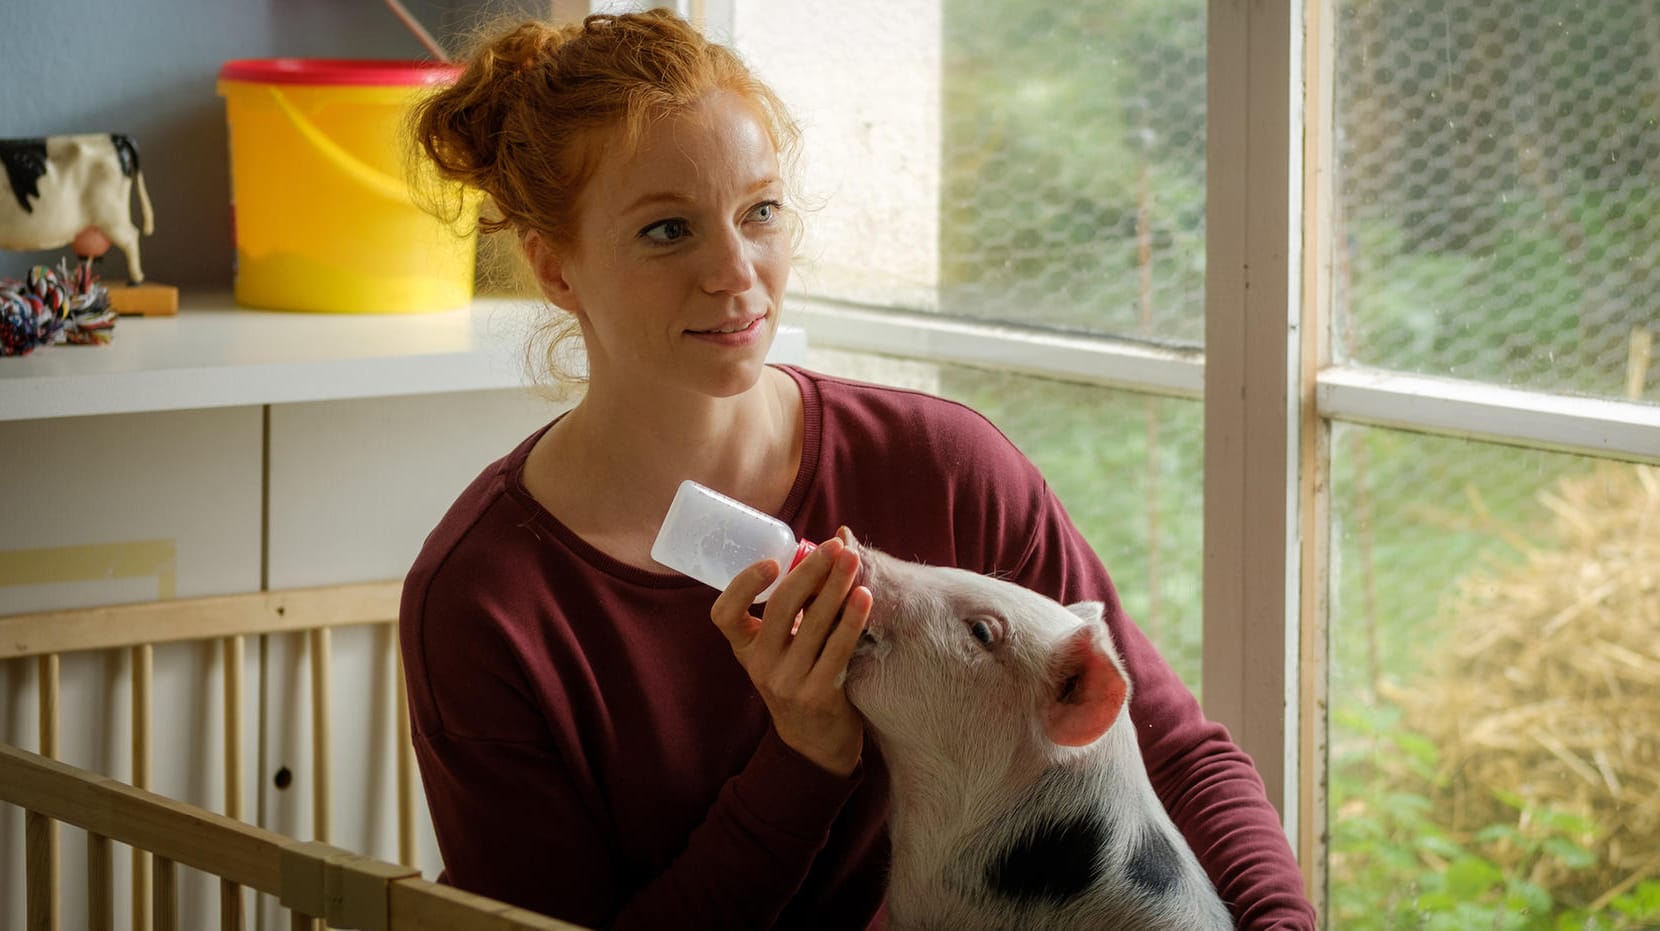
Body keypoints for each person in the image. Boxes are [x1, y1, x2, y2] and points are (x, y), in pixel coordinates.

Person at [399, 9, 1317, 930]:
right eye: (668, 230)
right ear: (555, 267)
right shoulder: (485, 602)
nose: (737, 274)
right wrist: (801, 761)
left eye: (759, 211)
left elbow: (1171, 753)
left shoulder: (948, 470)